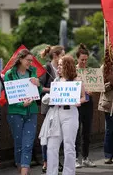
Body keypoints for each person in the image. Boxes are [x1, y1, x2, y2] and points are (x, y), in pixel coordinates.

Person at [39, 55, 87, 175]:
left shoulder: (76, 80)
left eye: (61, 64)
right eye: (58, 64)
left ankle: (69, 172)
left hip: (70, 113)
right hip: (55, 113)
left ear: (67, 66)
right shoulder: (56, 80)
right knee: (52, 145)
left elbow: (84, 97)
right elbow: (53, 95)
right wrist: (49, 98)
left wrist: (78, 101)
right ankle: (51, 172)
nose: (58, 67)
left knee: (69, 145)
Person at [4, 49, 42, 175]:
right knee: (19, 143)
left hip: (31, 111)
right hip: (15, 112)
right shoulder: (10, 74)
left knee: (28, 144)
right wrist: (21, 103)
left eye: (31, 61)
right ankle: (21, 170)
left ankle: (24, 173)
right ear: (20, 59)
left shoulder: (33, 71)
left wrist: (38, 84)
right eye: (28, 60)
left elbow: (38, 92)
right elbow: (9, 95)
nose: (30, 63)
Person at [39, 45, 65, 173]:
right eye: (62, 55)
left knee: (57, 135)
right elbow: (39, 87)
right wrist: (53, 89)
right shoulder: (47, 68)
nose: (64, 58)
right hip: (48, 106)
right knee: (47, 135)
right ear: (56, 56)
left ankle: (55, 161)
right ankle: (46, 162)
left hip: (59, 106)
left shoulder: (62, 69)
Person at [75, 44, 96, 168]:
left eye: (86, 60)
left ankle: (85, 157)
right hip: (77, 104)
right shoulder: (73, 71)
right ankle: (75, 158)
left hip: (88, 103)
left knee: (87, 131)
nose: (84, 62)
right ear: (77, 59)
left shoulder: (90, 72)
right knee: (76, 132)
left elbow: (96, 86)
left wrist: (92, 91)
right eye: (82, 59)